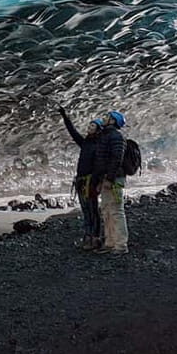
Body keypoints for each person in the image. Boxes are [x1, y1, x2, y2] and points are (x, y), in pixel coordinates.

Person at [58, 105, 103, 250]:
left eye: (92, 126)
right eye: (90, 125)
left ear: (98, 130)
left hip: (90, 181)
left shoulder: (98, 146)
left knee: (93, 210)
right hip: (81, 181)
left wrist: (96, 183)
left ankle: (95, 238)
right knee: (86, 210)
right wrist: (65, 117)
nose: (89, 127)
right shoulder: (85, 143)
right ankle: (88, 237)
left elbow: (99, 167)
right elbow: (72, 132)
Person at [92, 110, 128, 255]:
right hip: (106, 178)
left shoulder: (116, 137)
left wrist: (109, 179)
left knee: (116, 211)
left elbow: (116, 160)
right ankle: (110, 242)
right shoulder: (106, 136)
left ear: (113, 121)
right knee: (106, 210)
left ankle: (121, 245)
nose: (104, 118)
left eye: (107, 117)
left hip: (114, 179)